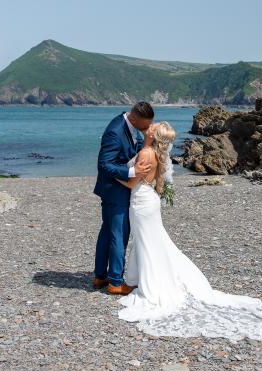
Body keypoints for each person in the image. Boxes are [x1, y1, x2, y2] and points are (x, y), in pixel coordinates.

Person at [116, 121, 262, 340]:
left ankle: (146, 282)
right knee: (150, 241)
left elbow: (130, 184)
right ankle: (136, 278)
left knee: (146, 242)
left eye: (153, 127)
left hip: (141, 202)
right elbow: (159, 185)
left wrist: (112, 175)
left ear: (155, 135)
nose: (150, 126)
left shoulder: (146, 154)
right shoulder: (157, 155)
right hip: (150, 200)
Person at [93, 102, 154, 295]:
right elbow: (104, 164)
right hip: (114, 189)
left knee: (107, 232)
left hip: (114, 188)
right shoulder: (115, 131)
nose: (147, 128)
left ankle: (100, 275)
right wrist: (132, 171)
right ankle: (115, 282)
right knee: (119, 235)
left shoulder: (131, 125)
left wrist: (144, 144)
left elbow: (128, 151)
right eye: (145, 125)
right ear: (135, 118)